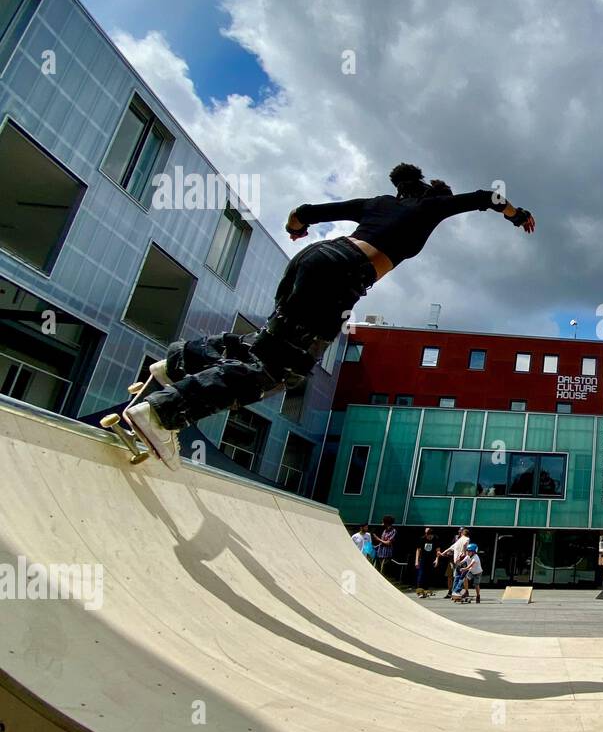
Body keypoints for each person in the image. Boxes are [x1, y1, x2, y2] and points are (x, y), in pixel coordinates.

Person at [121, 163, 536, 468]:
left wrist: (295, 228)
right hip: (342, 277)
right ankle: (161, 413)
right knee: (281, 370)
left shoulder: (376, 203)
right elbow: (486, 197)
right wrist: (517, 215)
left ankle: (177, 364)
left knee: (267, 345)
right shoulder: (433, 207)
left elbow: (303, 212)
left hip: (313, 258)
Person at [438, 528, 470, 599]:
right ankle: (457, 591)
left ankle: (453, 592)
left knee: (457, 576)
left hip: (456, 561)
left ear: (462, 534)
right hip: (462, 560)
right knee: (462, 576)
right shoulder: (467, 539)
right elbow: (465, 544)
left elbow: (449, 548)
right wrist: (464, 553)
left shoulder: (458, 541)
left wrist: (442, 553)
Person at [415, 527, 436, 597]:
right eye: (428, 536)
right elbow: (418, 550)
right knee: (421, 575)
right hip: (422, 559)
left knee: (428, 575)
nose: (429, 537)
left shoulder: (435, 539)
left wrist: (437, 559)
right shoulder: (422, 539)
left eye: (431, 536)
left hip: (431, 559)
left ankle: (425, 591)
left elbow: (438, 550)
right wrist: (416, 561)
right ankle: (419, 592)